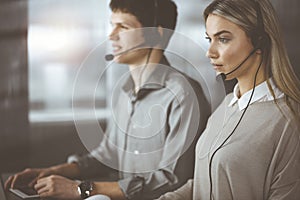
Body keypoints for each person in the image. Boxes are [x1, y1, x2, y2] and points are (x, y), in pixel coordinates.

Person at [5, 0, 210, 200]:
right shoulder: (124, 90)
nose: (111, 35)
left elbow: (171, 180)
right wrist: (54, 172)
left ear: (157, 34)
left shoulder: (183, 94)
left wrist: (81, 190)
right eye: (113, 25)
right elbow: (109, 154)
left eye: (123, 26)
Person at [157, 0, 300, 199]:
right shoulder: (227, 104)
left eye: (223, 39)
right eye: (209, 39)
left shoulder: (288, 121)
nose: (210, 52)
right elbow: (203, 182)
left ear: (260, 42)